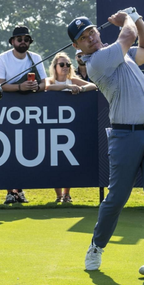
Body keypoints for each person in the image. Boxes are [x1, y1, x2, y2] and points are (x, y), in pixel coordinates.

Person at [70, 9, 144, 279]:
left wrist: (138, 18)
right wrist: (128, 17)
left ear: (97, 31)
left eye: (91, 31)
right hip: (126, 137)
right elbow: (127, 35)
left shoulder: (122, 54)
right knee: (116, 199)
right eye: (82, 36)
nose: (89, 36)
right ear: (77, 46)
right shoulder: (98, 62)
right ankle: (97, 246)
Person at [0, 25, 47, 204]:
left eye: (26, 39)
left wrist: (34, 88)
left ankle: (20, 190)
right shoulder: (3, 59)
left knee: (25, 150)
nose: (23, 42)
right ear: (12, 41)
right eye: (19, 39)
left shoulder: (36, 58)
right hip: (7, 110)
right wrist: (19, 87)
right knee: (7, 152)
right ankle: (10, 191)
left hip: (30, 111)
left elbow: (44, 84)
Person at [45, 52, 97, 202]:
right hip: (52, 125)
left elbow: (93, 85)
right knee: (54, 162)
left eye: (68, 64)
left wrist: (80, 89)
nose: (65, 67)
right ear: (55, 67)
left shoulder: (73, 80)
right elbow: (47, 88)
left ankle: (67, 195)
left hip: (70, 126)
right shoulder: (50, 80)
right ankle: (58, 195)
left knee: (68, 160)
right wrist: (65, 88)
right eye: (62, 64)